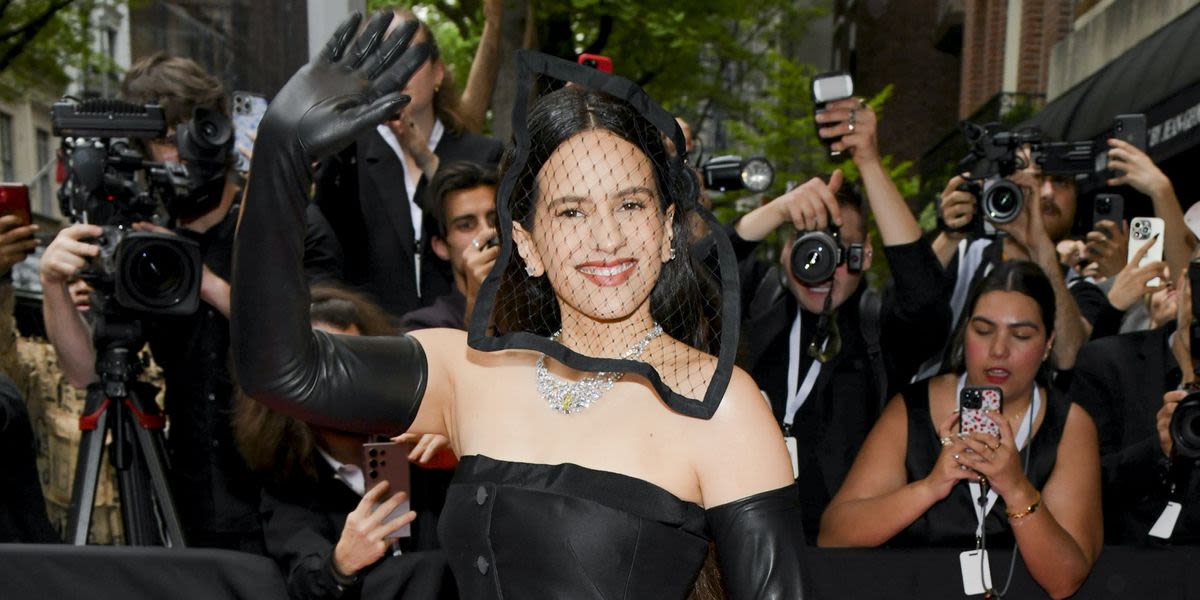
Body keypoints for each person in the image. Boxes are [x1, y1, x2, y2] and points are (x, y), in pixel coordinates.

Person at [233, 12, 806, 598]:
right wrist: (280, 154)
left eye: (630, 205)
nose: (605, 238)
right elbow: (283, 372)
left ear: (666, 230)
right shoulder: (468, 373)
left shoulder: (719, 406)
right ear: (527, 245)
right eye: (571, 211)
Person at [39, 54, 336, 551]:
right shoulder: (139, 250)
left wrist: (205, 281)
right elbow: (86, 372)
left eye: (185, 132)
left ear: (215, 130)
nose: (174, 153)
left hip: (290, 508)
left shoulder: (289, 224)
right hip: (190, 503)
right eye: (159, 138)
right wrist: (53, 286)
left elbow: (325, 344)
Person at [731, 97, 948, 541]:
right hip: (746, 539)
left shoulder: (878, 330)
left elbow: (927, 299)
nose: (823, 269)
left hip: (844, 553)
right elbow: (693, 273)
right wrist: (775, 210)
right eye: (810, 250)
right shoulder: (754, 305)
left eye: (840, 253)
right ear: (786, 249)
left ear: (865, 254)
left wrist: (868, 162)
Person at [820, 261, 1103, 599]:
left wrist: (1016, 489)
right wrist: (929, 487)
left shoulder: (1069, 423)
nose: (999, 350)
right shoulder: (911, 409)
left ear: (1047, 344)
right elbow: (834, 534)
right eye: (983, 331)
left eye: (1021, 335)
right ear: (964, 332)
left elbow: (1065, 579)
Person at [236, 284, 455, 599]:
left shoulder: (424, 448)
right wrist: (341, 564)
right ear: (291, 386)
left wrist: (462, 451)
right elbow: (303, 582)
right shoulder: (288, 488)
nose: (347, 380)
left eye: (356, 360)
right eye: (326, 367)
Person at [314, 8, 504, 320]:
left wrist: (426, 160)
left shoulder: (485, 155)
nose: (397, 72)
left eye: (409, 57)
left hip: (463, 330)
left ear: (438, 72)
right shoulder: (346, 157)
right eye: (384, 58)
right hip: (375, 343)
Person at [1068, 263, 1200, 545]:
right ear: (1183, 281)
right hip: (1129, 571)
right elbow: (1078, 489)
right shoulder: (1107, 363)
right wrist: (1159, 449)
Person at [400, 161, 498, 332]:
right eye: (466, 225)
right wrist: (478, 303)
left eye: (495, 220)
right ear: (441, 246)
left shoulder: (539, 306)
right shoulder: (426, 325)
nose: (487, 232)